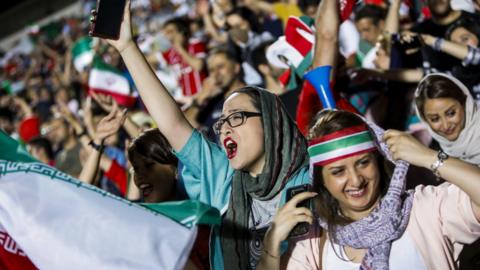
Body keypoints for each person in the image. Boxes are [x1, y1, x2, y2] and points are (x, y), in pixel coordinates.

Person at [91, 2, 310, 270]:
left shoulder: (311, 171)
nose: (226, 127)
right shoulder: (222, 176)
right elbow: (173, 125)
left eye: (237, 117)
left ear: (271, 121)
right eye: (222, 122)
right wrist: (126, 47)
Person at [258, 109, 480, 270]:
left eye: (363, 162)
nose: (356, 180)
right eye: (338, 172)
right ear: (321, 180)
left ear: (378, 160)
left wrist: (430, 157)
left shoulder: (423, 209)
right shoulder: (315, 242)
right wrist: (271, 246)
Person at [414, 73, 480, 163]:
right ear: (425, 120)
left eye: (451, 113)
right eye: (435, 119)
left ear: (465, 104)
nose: (445, 126)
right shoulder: (443, 148)